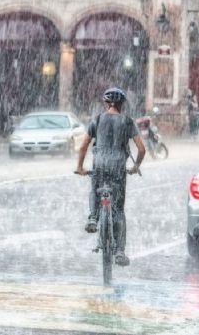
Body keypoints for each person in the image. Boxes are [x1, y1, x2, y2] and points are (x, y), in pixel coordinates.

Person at [75, 87, 146, 267]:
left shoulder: (98, 120)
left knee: (95, 188)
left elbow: (83, 146)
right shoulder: (128, 121)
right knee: (118, 210)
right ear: (122, 105)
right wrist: (135, 166)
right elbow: (142, 149)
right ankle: (120, 251)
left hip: (99, 164)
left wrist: (79, 167)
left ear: (106, 104)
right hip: (118, 167)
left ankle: (93, 217)